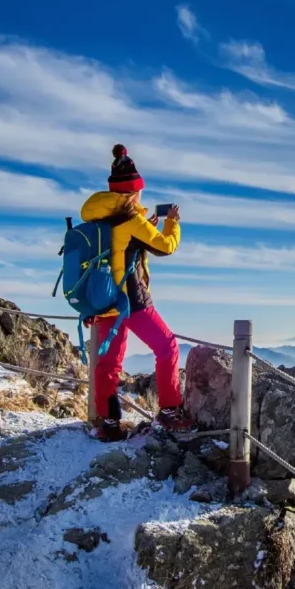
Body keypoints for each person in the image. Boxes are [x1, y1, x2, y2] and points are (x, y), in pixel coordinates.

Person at [80, 143, 193, 441]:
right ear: (133, 191)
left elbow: (120, 247)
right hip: (131, 299)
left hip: (103, 298)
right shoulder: (131, 219)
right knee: (167, 347)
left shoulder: (98, 217)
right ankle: (169, 411)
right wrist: (172, 223)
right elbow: (166, 247)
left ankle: (107, 424)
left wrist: (146, 227)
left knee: (108, 363)